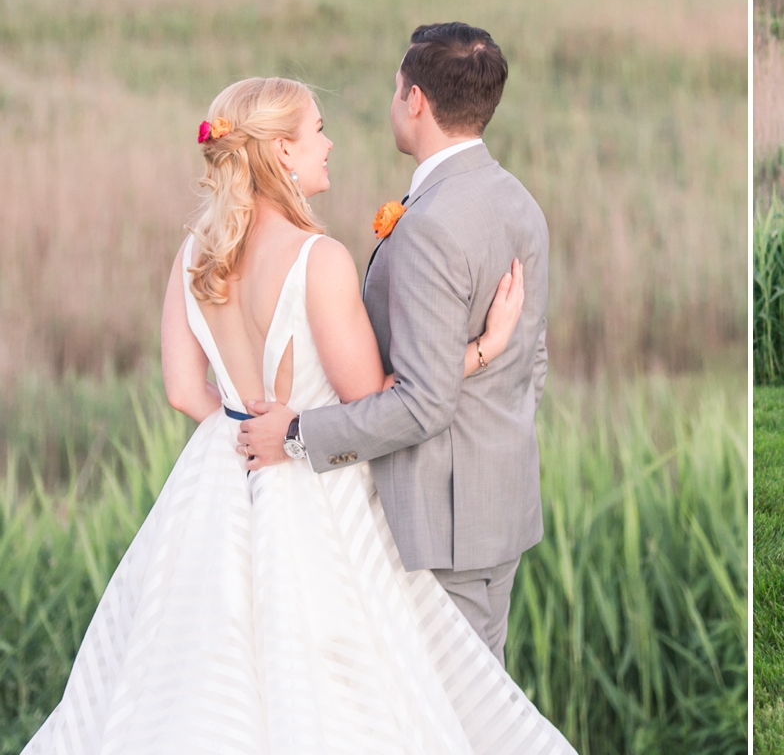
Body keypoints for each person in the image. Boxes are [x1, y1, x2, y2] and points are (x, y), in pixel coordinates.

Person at [24, 72, 574, 753]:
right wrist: (486, 347)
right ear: (282, 151)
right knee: (347, 685)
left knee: (196, 677)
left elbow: (181, 391)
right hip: (314, 493)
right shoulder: (320, 260)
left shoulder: (196, 252)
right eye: (317, 131)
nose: (329, 144)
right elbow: (376, 398)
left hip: (218, 480)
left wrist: (240, 431)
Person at [238, 23, 551, 663]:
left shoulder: (430, 225)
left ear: (415, 101)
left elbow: (424, 403)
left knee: (450, 717)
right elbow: (533, 360)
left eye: (394, 89)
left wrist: (297, 434)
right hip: (499, 503)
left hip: (442, 526)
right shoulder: (520, 204)